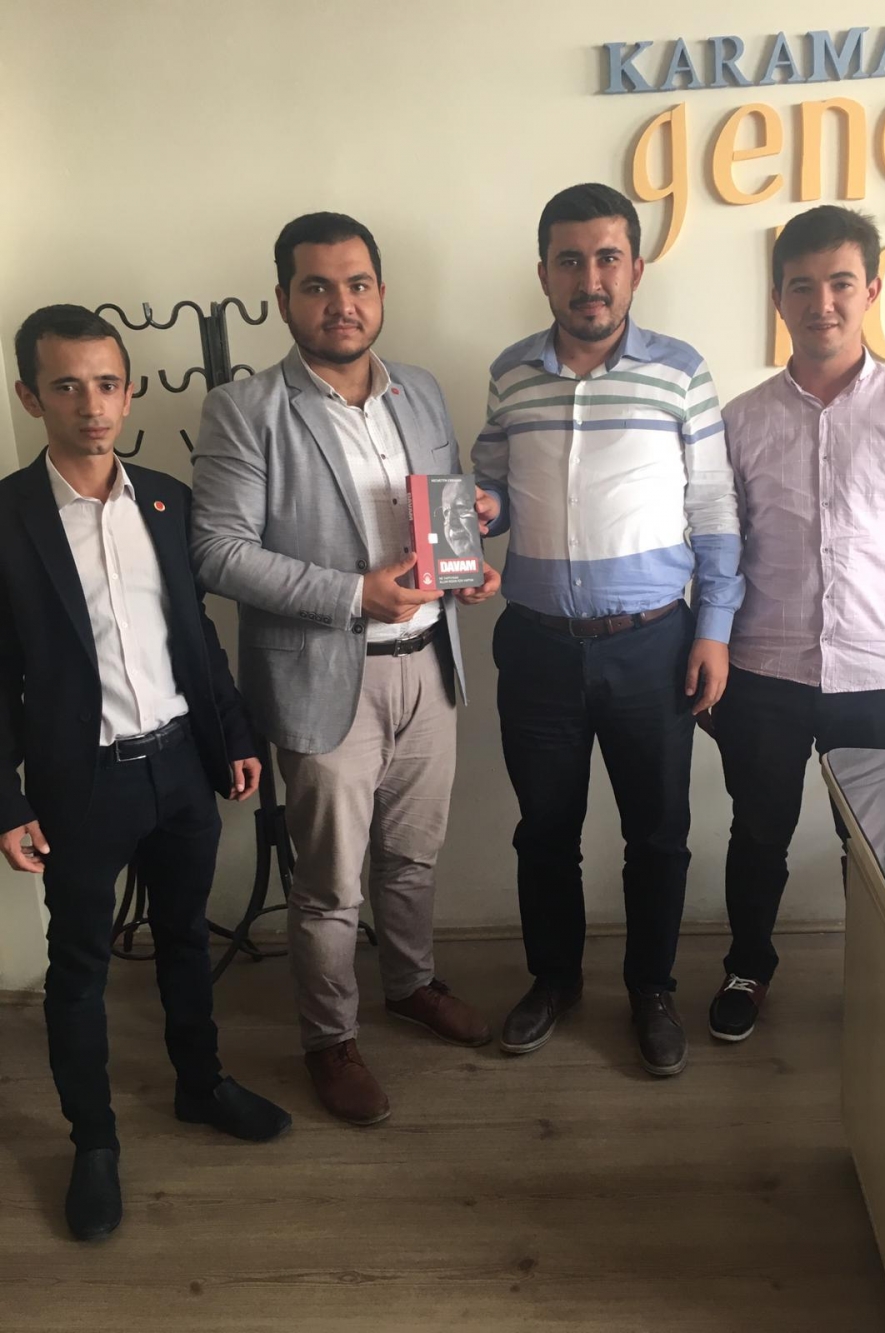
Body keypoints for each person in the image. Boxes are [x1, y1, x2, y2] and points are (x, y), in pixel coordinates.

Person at [191, 212, 498, 1128]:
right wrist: (352, 594)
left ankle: (410, 983)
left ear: (381, 292)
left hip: (431, 665)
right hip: (326, 677)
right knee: (330, 884)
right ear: (283, 298)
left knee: (414, 856)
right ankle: (330, 1038)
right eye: (317, 286)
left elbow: (443, 512)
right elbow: (217, 551)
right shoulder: (246, 409)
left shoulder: (422, 392)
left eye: (357, 283)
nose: (341, 303)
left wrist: (468, 559)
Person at [0, 306, 291, 1243]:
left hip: (178, 768)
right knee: (80, 968)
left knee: (185, 939)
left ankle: (199, 1084)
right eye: (66, 385)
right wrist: (6, 800)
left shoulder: (165, 498)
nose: (91, 405)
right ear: (30, 396)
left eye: (106, 384)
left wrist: (232, 734)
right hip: (81, 785)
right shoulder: (8, 518)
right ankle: (93, 1141)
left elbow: (194, 634)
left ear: (129, 392)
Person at [472, 183, 743, 1077]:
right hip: (537, 644)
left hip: (653, 644)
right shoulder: (510, 373)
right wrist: (479, 512)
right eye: (570, 260)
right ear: (543, 272)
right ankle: (554, 979)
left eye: (607, 258)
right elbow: (494, 485)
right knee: (544, 829)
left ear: (635, 268)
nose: (590, 278)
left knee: (657, 832)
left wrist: (714, 628)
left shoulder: (680, 371)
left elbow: (713, 505)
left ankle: (651, 989)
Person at [706, 206, 885, 1043]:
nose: (822, 302)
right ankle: (748, 967)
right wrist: (712, 651)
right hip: (764, 673)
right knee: (759, 833)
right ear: (778, 297)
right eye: (802, 285)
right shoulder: (740, 419)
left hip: (876, 679)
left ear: (872, 291)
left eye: (840, 283)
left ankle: (881, 981)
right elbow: (718, 549)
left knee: (874, 847)